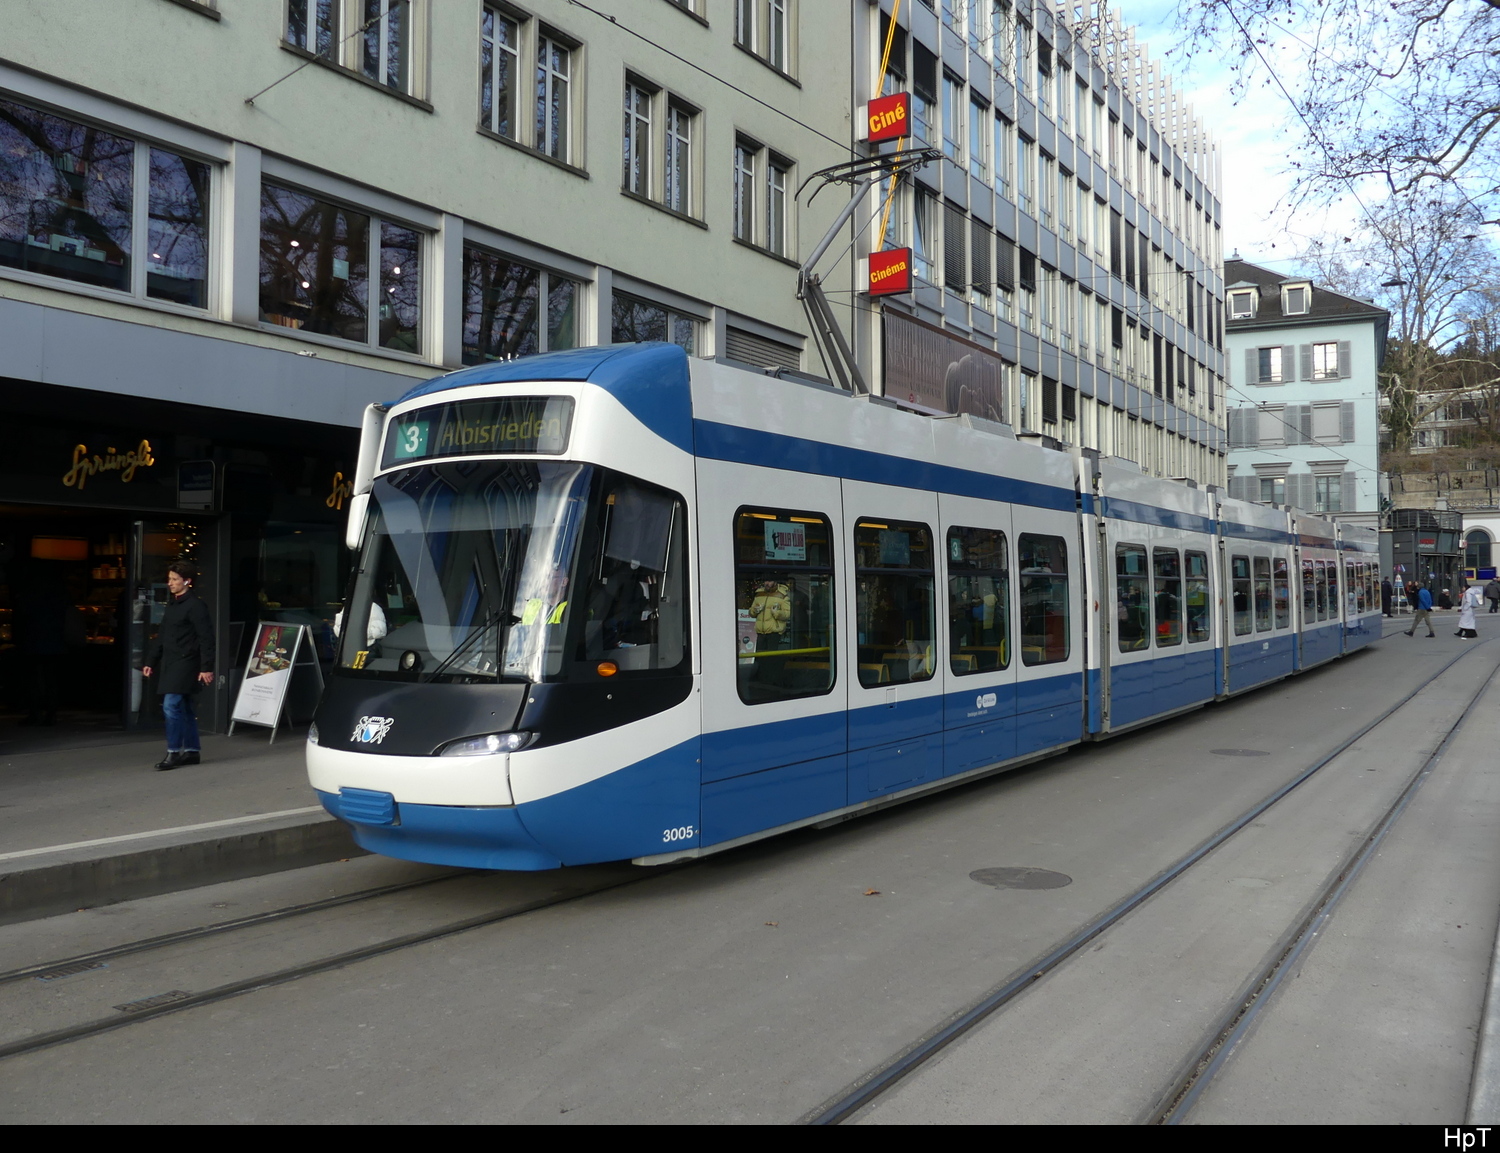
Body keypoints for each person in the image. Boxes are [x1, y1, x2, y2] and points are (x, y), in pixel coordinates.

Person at [142, 561, 215, 770]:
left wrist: (206, 667)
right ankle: (192, 751)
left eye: (174, 579)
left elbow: (206, 638)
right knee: (185, 707)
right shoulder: (173, 604)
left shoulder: (196, 606)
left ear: (187, 581)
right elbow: (162, 635)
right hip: (172, 661)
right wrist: (151, 661)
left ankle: (173, 752)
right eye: (169, 579)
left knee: (170, 705)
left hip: (187, 662)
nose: (170, 583)